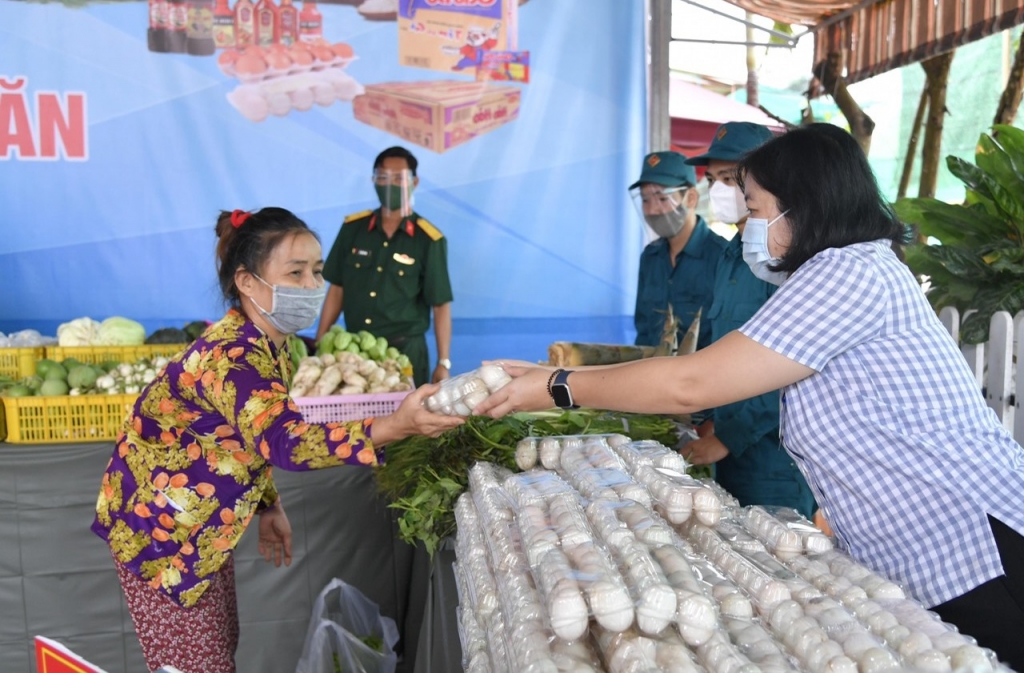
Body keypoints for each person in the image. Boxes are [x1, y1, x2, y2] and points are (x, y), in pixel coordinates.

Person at [477, 124, 1024, 668]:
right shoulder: (836, 272)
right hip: (925, 548)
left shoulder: (849, 272)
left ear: (803, 206)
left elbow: (692, 381)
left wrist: (559, 387)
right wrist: (552, 372)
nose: (748, 228)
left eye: (757, 210)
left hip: (974, 543)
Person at [92, 207, 463, 673]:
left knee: (219, 648)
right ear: (247, 282)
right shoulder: (231, 356)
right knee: (194, 666)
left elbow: (250, 435)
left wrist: (269, 504)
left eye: (317, 271)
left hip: (203, 525)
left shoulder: (279, 344)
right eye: (295, 272)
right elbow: (285, 441)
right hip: (159, 531)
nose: (312, 286)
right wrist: (396, 425)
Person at [681, 121, 816, 519]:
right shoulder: (729, 256)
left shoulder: (786, 263)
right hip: (722, 453)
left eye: (730, 178)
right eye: (712, 179)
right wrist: (703, 418)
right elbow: (712, 347)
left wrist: (726, 437)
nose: (719, 190)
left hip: (773, 462)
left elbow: (790, 368)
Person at [316, 146, 453, 386]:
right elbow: (337, 288)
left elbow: (440, 305)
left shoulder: (429, 239)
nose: (390, 184)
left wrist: (443, 362)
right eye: (383, 177)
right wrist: (320, 341)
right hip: (355, 353)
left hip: (406, 353)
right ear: (373, 180)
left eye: (399, 178)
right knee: (358, 422)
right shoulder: (353, 229)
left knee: (408, 421)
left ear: (415, 181)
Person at [630, 150, 726, 349]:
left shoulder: (722, 257)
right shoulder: (650, 257)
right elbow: (643, 333)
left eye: (662, 199)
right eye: (645, 200)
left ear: (691, 198)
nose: (652, 210)